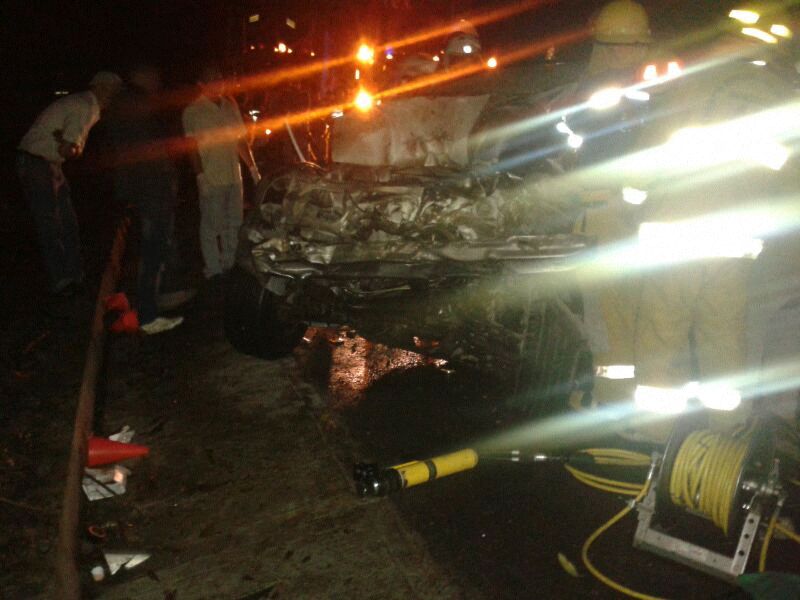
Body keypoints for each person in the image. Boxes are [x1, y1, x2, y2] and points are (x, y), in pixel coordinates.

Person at [628, 3, 799, 442]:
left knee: (661, 339)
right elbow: (790, 176)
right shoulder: (779, 92)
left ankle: (655, 436)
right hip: (732, 240)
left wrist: (635, 201)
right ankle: (727, 435)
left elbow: (648, 152)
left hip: (672, 234)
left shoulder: (691, 81)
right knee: (724, 339)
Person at [17, 71, 122, 295]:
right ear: (102, 88)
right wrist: (74, 149)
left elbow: (65, 144)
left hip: (46, 163)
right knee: (52, 223)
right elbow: (68, 149)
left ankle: (73, 276)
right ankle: (64, 280)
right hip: (39, 163)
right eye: (113, 90)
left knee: (64, 222)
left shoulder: (83, 104)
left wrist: (69, 146)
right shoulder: (87, 106)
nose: (114, 96)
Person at [107, 65, 184, 334]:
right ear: (142, 77)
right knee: (153, 251)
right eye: (154, 78)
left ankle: (141, 302)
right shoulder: (138, 104)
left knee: (147, 249)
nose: (157, 82)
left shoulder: (120, 104)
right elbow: (154, 149)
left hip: (137, 188)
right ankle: (148, 316)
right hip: (152, 189)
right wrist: (168, 179)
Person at [182, 65, 260, 283]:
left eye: (220, 78)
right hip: (212, 176)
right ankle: (213, 268)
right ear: (201, 84)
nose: (218, 83)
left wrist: (252, 168)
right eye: (212, 79)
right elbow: (191, 147)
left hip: (234, 175)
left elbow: (240, 141)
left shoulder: (229, 106)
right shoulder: (193, 111)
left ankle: (229, 263)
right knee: (211, 225)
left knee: (234, 222)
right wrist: (200, 176)